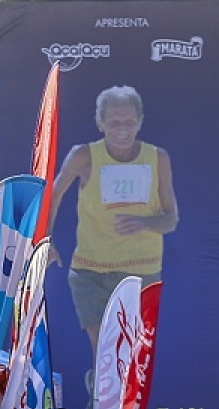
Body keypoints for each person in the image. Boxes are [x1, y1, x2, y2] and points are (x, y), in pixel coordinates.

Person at [48, 85, 179, 356]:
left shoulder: (158, 158)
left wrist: (145, 224)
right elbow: (54, 194)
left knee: (130, 351)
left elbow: (171, 220)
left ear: (140, 123)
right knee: (105, 347)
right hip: (90, 270)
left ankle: (107, 394)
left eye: (129, 122)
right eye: (114, 123)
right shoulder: (84, 156)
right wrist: (45, 240)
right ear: (100, 123)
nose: (122, 129)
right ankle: (100, 395)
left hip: (141, 270)